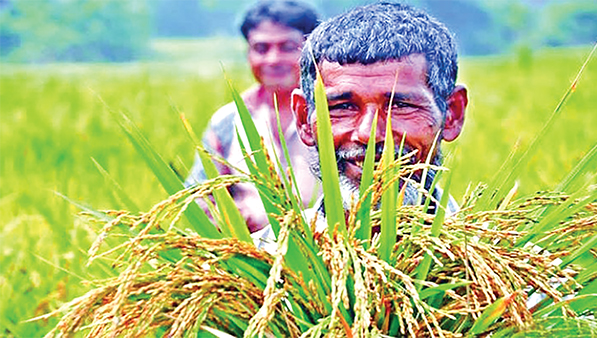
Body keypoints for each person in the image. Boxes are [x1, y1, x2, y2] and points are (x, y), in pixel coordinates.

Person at [290, 2, 468, 229]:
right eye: (343, 107)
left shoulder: (512, 261)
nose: (369, 134)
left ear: (452, 114)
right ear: (305, 119)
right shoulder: (260, 260)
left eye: (400, 105)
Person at [184, 0, 321, 234]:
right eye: (261, 48)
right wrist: (231, 218)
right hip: (251, 258)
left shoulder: (338, 114)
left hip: (329, 254)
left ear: (310, 49)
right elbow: (198, 196)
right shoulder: (228, 120)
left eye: (287, 47)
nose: (272, 60)